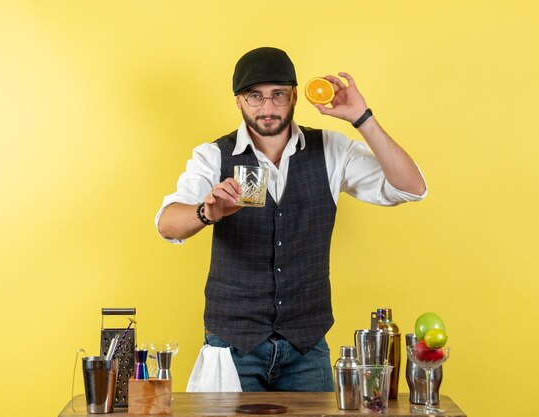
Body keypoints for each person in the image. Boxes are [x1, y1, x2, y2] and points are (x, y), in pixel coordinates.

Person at [155, 47, 427, 392]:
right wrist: (206, 212)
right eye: (255, 97)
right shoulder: (212, 156)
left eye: (278, 95)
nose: (267, 109)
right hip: (234, 346)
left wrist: (363, 118)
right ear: (238, 100)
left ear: (295, 96)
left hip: (307, 346)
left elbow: (411, 188)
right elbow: (167, 224)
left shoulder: (331, 149)